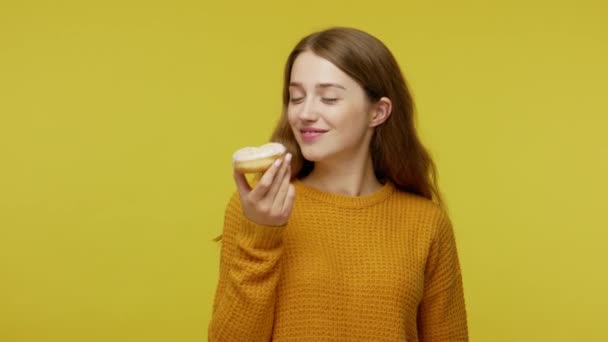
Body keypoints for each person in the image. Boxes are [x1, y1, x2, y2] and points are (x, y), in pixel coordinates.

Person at [208, 27, 468, 341]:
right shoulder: (256, 207)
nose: (304, 113)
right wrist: (262, 235)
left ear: (378, 111)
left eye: (329, 98)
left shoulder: (426, 223)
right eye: (296, 97)